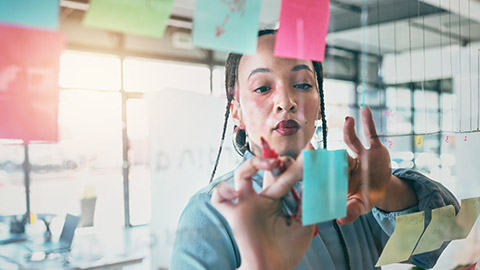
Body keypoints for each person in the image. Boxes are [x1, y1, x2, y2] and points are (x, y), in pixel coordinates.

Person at [170, 29, 459, 269]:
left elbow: (443, 245)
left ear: (319, 105)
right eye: (262, 88)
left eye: (301, 84)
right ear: (237, 113)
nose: (286, 102)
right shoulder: (209, 213)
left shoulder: (351, 186)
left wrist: (389, 191)